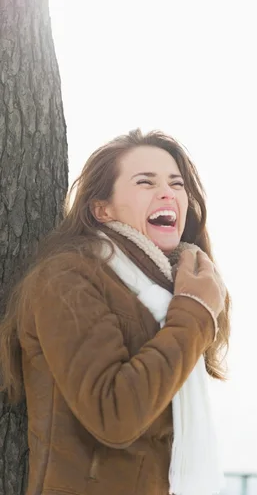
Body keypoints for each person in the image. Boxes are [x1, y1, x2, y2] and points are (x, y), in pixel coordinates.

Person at [0, 129, 230, 495]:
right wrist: (196, 312)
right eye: (145, 182)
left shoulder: (168, 291)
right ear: (102, 209)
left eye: (177, 183)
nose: (168, 193)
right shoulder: (68, 278)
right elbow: (114, 415)